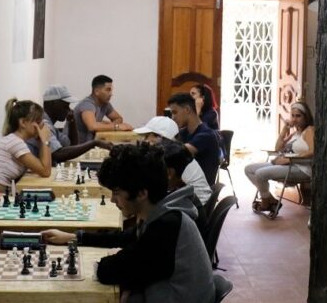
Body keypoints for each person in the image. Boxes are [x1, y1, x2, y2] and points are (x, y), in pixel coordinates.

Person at [42, 143, 214, 303]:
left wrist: (127, 273)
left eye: (117, 192)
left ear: (141, 193)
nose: (112, 199)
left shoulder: (167, 225)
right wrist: (74, 237)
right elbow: (125, 238)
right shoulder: (161, 211)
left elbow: (108, 271)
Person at [245, 101, 315, 213]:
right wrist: (284, 130)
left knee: (260, 174)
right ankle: (270, 199)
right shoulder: (296, 133)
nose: (295, 119)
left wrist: (290, 158)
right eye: (293, 116)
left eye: (298, 116)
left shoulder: (309, 130)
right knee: (249, 169)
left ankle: (265, 202)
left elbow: (313, 151)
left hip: (301, 168)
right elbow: (278, 148)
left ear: (306, 117)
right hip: (286, 164)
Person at [134, 116, 212, 205]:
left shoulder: (173, 156)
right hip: (189, 202)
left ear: (160, 138)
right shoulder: (174, 152)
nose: (145, 141)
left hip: (196, 206)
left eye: (147, 136)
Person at [0, 99, 52, 192]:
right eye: (38, 122)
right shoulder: (15, 143)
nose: (41, 126)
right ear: (22, 122)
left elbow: (41, 168)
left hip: (1, 192)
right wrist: (45, 140)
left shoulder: (14, 140)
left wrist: (41, 141)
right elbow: (45, 171)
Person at [29, 84, 113, 162]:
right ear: (52, 104)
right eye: (65, 106)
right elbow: (57, 154)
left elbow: (71, 145)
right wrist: (94, 143)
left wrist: (72, 121)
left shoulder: (51, 125)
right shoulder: (43, 123)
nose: (69, 110)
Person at [167, 92, 221, 186]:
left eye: (175, 112)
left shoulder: (206, 135)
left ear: (187, 109)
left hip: (198, 194)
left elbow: (177, 154)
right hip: (186, 187)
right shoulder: (183, 133)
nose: (173, 118)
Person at [71, 74, 132, 143]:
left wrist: (105, 125)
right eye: (108, 90)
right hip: (74, 148)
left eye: (111, 90)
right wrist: (117, 127)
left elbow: (118, 118)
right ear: (96, 91)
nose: (111, 94)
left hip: (89, 145)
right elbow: (92, 127)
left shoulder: (105, 104)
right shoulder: (87, 104)